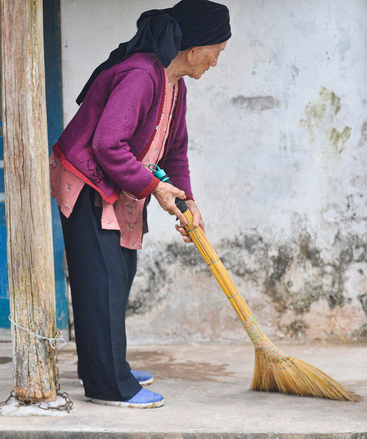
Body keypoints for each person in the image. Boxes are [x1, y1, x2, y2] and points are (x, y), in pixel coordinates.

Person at [49, 0, 231, 408]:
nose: (217, 61)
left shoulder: (173, 83)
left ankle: (104, 367)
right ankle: (108, 386)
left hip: (118, 184)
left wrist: (186, 200)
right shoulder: (140, 75)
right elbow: (106, 144)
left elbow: (175, 150)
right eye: (217, 49)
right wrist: (155, 188)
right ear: (195, 47)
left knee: (117, 274)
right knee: (103, 278)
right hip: (86, 182)